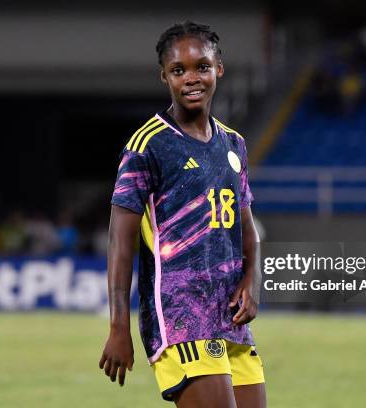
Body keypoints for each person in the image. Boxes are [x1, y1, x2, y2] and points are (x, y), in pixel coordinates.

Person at [99, 21, 266, 408]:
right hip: (181, 316)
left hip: (231, 319)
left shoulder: (234, 144)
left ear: (218, 69)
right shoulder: (148, 145)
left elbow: (246, 228)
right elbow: (119, 242)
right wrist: (118, 327)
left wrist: (251, 282)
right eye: (179, 70)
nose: (192, 78)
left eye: (201, 67)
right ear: (164, 76)